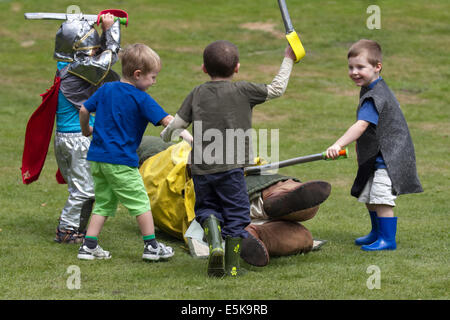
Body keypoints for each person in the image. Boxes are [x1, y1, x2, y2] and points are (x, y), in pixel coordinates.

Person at [161, 40, 297, 276]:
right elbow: (277, 89)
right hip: (230, 170)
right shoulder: (243, 90)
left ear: (204, 68)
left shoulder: (197, 92)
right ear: (237, 68)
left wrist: (165, 134)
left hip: (201, 168)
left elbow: (178, 125)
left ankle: (214, 245)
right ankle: (232, 267)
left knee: (207, 208)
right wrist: (288, 58)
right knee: (236, 216)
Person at [137, 136, 331, 267]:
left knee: (303, 236)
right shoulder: (180, 148)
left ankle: (255, 233)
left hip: (205, 211)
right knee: (272, 189)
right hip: (239, 186)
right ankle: (278, 194)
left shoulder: (140, 182)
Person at [76, 43, 187, 261]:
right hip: (120, 161)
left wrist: (86, 129)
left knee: (104, 202)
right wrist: (190, 137)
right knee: (141, 202)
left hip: (98, 158)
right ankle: (151, 246)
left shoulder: (107, 89)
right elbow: (167, 121)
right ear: (138, 74)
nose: (154, 82)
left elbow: (84, 109)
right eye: (153, 77)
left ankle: (88, 246)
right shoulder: (141, 98)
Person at [21, 13, 122, 244]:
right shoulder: (77, 70)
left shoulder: (67, 66)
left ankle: (76, 230)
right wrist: (111, 28)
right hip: (77, 140)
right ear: (80, 51)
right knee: (84, 190)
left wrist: (102, 33)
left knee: (86, 188)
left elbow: (99, 59)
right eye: (92, 48)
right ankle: (67, 231)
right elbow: (108, 59)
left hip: (70, 139)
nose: (95, 52)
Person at [326, 39, 423, 251]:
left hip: (389, 157)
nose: (354, 72)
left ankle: (388, 240)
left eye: (360, 67)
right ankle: (376, 232)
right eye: (351, 67)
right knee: (369, 195)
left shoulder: (375, 96)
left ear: (377, 66)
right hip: (376, 156)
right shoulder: (373, 87)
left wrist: (338, 144)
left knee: (381, 198)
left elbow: (360, 126)